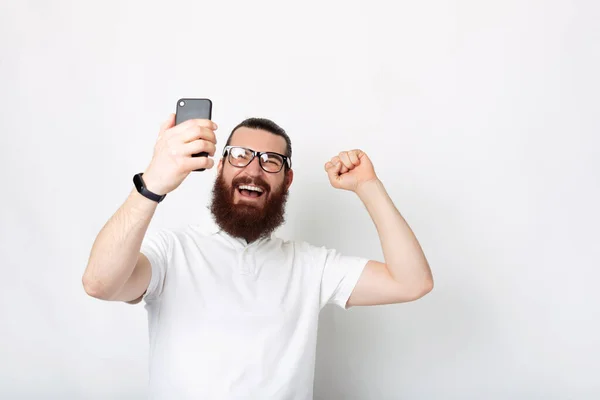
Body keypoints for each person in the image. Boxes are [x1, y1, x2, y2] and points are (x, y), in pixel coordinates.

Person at [82, 114, 433, 399]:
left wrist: (367, 186)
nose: (253, 170)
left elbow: (411, 282)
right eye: (240, 155)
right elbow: (100, 283)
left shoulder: (310, 265)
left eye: (270, 161)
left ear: (287, 178)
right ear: (220, 167)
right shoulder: (172, 252)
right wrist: (152, 183)